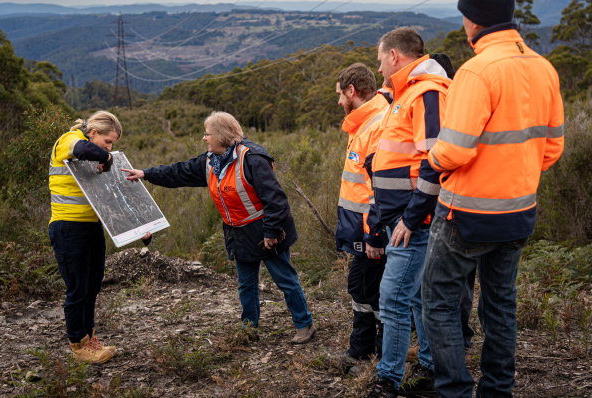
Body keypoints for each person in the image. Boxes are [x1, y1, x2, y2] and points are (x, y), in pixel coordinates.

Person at [423, 0, 565, 398]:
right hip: (519, 211)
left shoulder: (477, 71)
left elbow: (455, 151)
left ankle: (454, 391)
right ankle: (497, 390)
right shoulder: (544, 67)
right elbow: (552, 149)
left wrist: (431, 161)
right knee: (501, 304)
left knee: (439, 301)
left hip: (466, 214)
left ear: (472, 20)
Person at [122, 111, 315, 344]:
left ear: (222, 136)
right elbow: (179, 171)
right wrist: (146, 174)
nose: (204, 138)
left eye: (207, 134)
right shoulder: (210, 161)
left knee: (285, 279)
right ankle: (249, 329)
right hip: (239, 233)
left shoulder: (252, 158)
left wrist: (271, 232)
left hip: (266, 230)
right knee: (246, 285)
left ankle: (305, 325)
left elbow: (276, 201)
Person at [364, 27, 454, 398]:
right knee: (413, 297)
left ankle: (388, 382)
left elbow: (436, 160)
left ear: (396, 56)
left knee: (394, 299)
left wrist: (411, 219)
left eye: (381, 58)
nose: (379, 65)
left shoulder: (427, 92)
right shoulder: (404, 95)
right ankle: (429, 370)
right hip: (397, 217)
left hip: (411, 221)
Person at [329, 63, 391, 374]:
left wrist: (373, 235)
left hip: (372, 233)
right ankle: (361, 349)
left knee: (375, 293)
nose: (339, 101)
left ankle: (379, 359)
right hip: (361, 231)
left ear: (353, 91)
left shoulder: (377, 125)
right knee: (360, 288)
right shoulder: (362, 124)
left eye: (340, 94)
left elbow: (379, 188)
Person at [49, 111, 122, 364]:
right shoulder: (67, 140)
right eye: (108, 141)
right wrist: (107, 157)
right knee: (77, 289)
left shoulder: (92, 151)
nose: (109, 147)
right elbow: (82, 148)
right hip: (68, 228)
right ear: (93, 133)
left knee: (92, 286)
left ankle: (90, 339)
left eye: (112, 144)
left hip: (92, 228)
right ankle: (77, 345)